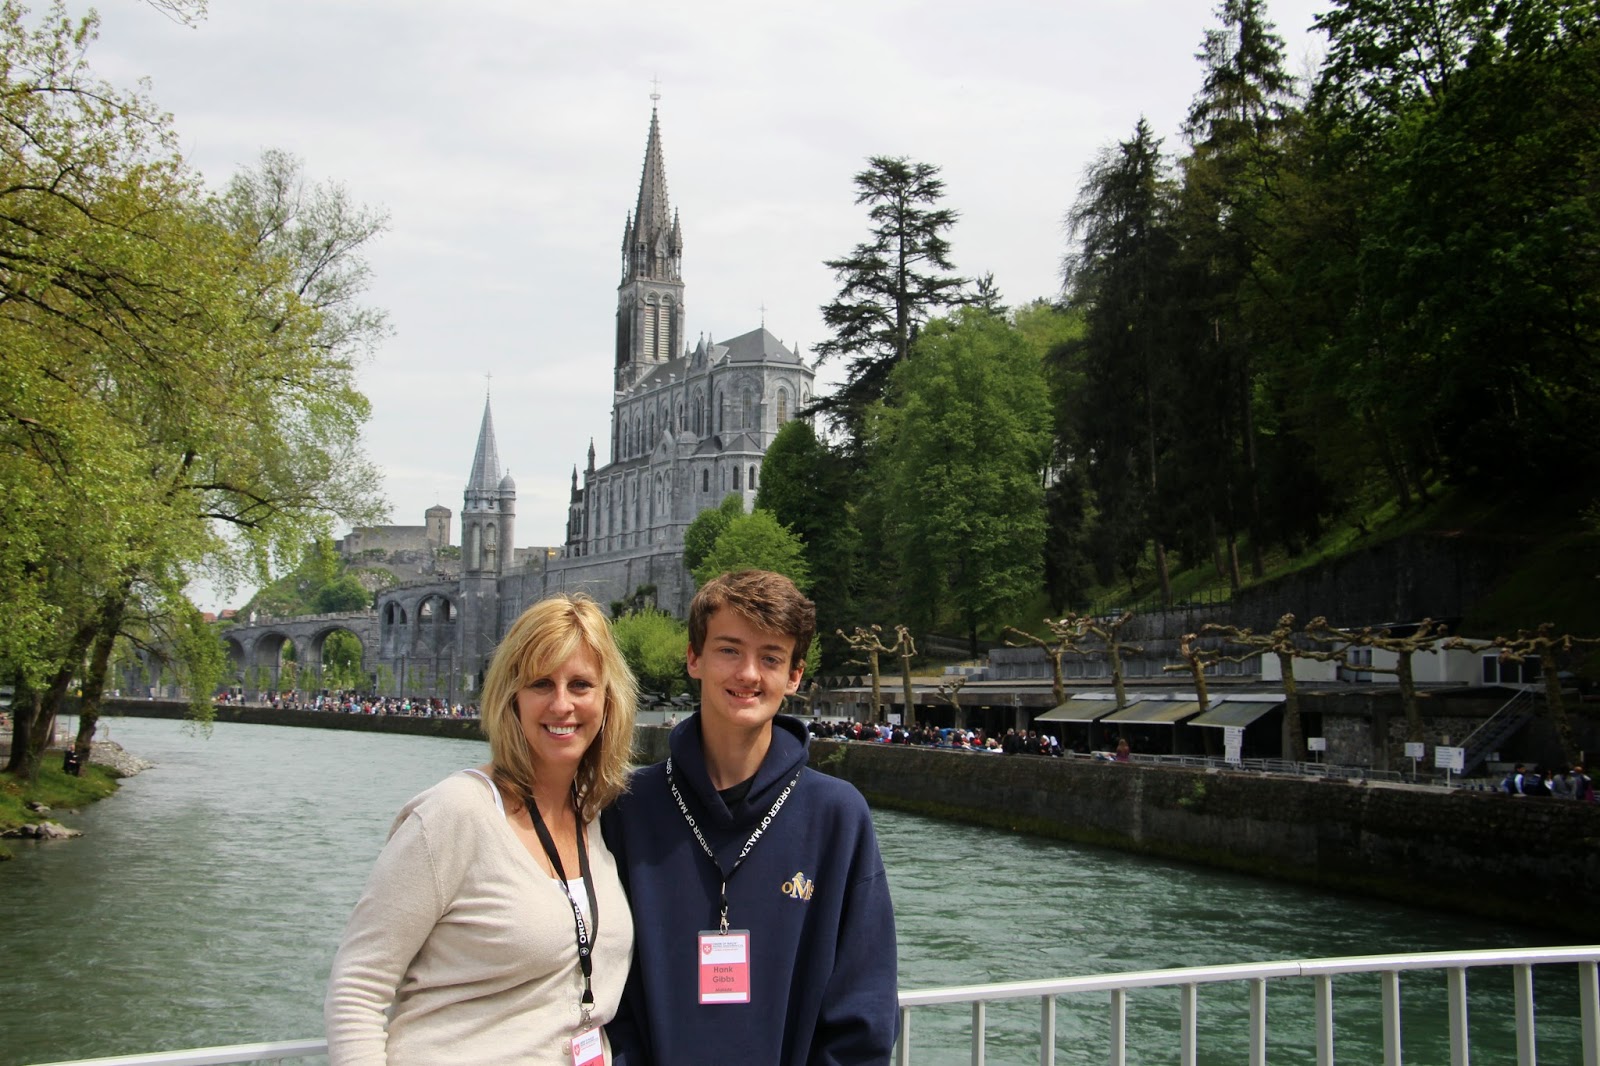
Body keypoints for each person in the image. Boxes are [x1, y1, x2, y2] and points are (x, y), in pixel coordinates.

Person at [325, 594, 638, 1066]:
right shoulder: (456, 813)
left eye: (580, 684)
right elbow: (358, 987)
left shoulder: (596, 817)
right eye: (540, 684)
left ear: (607, 699)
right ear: (511, 697)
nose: (561, 704)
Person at [602, 569, 899, 1065]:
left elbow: (862, 1013)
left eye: (771, 657)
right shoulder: (627, 807)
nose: (748, 674)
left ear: (795, 674)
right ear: (693, 658)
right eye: (729, 650)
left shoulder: (838, 817)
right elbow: (606, 991)